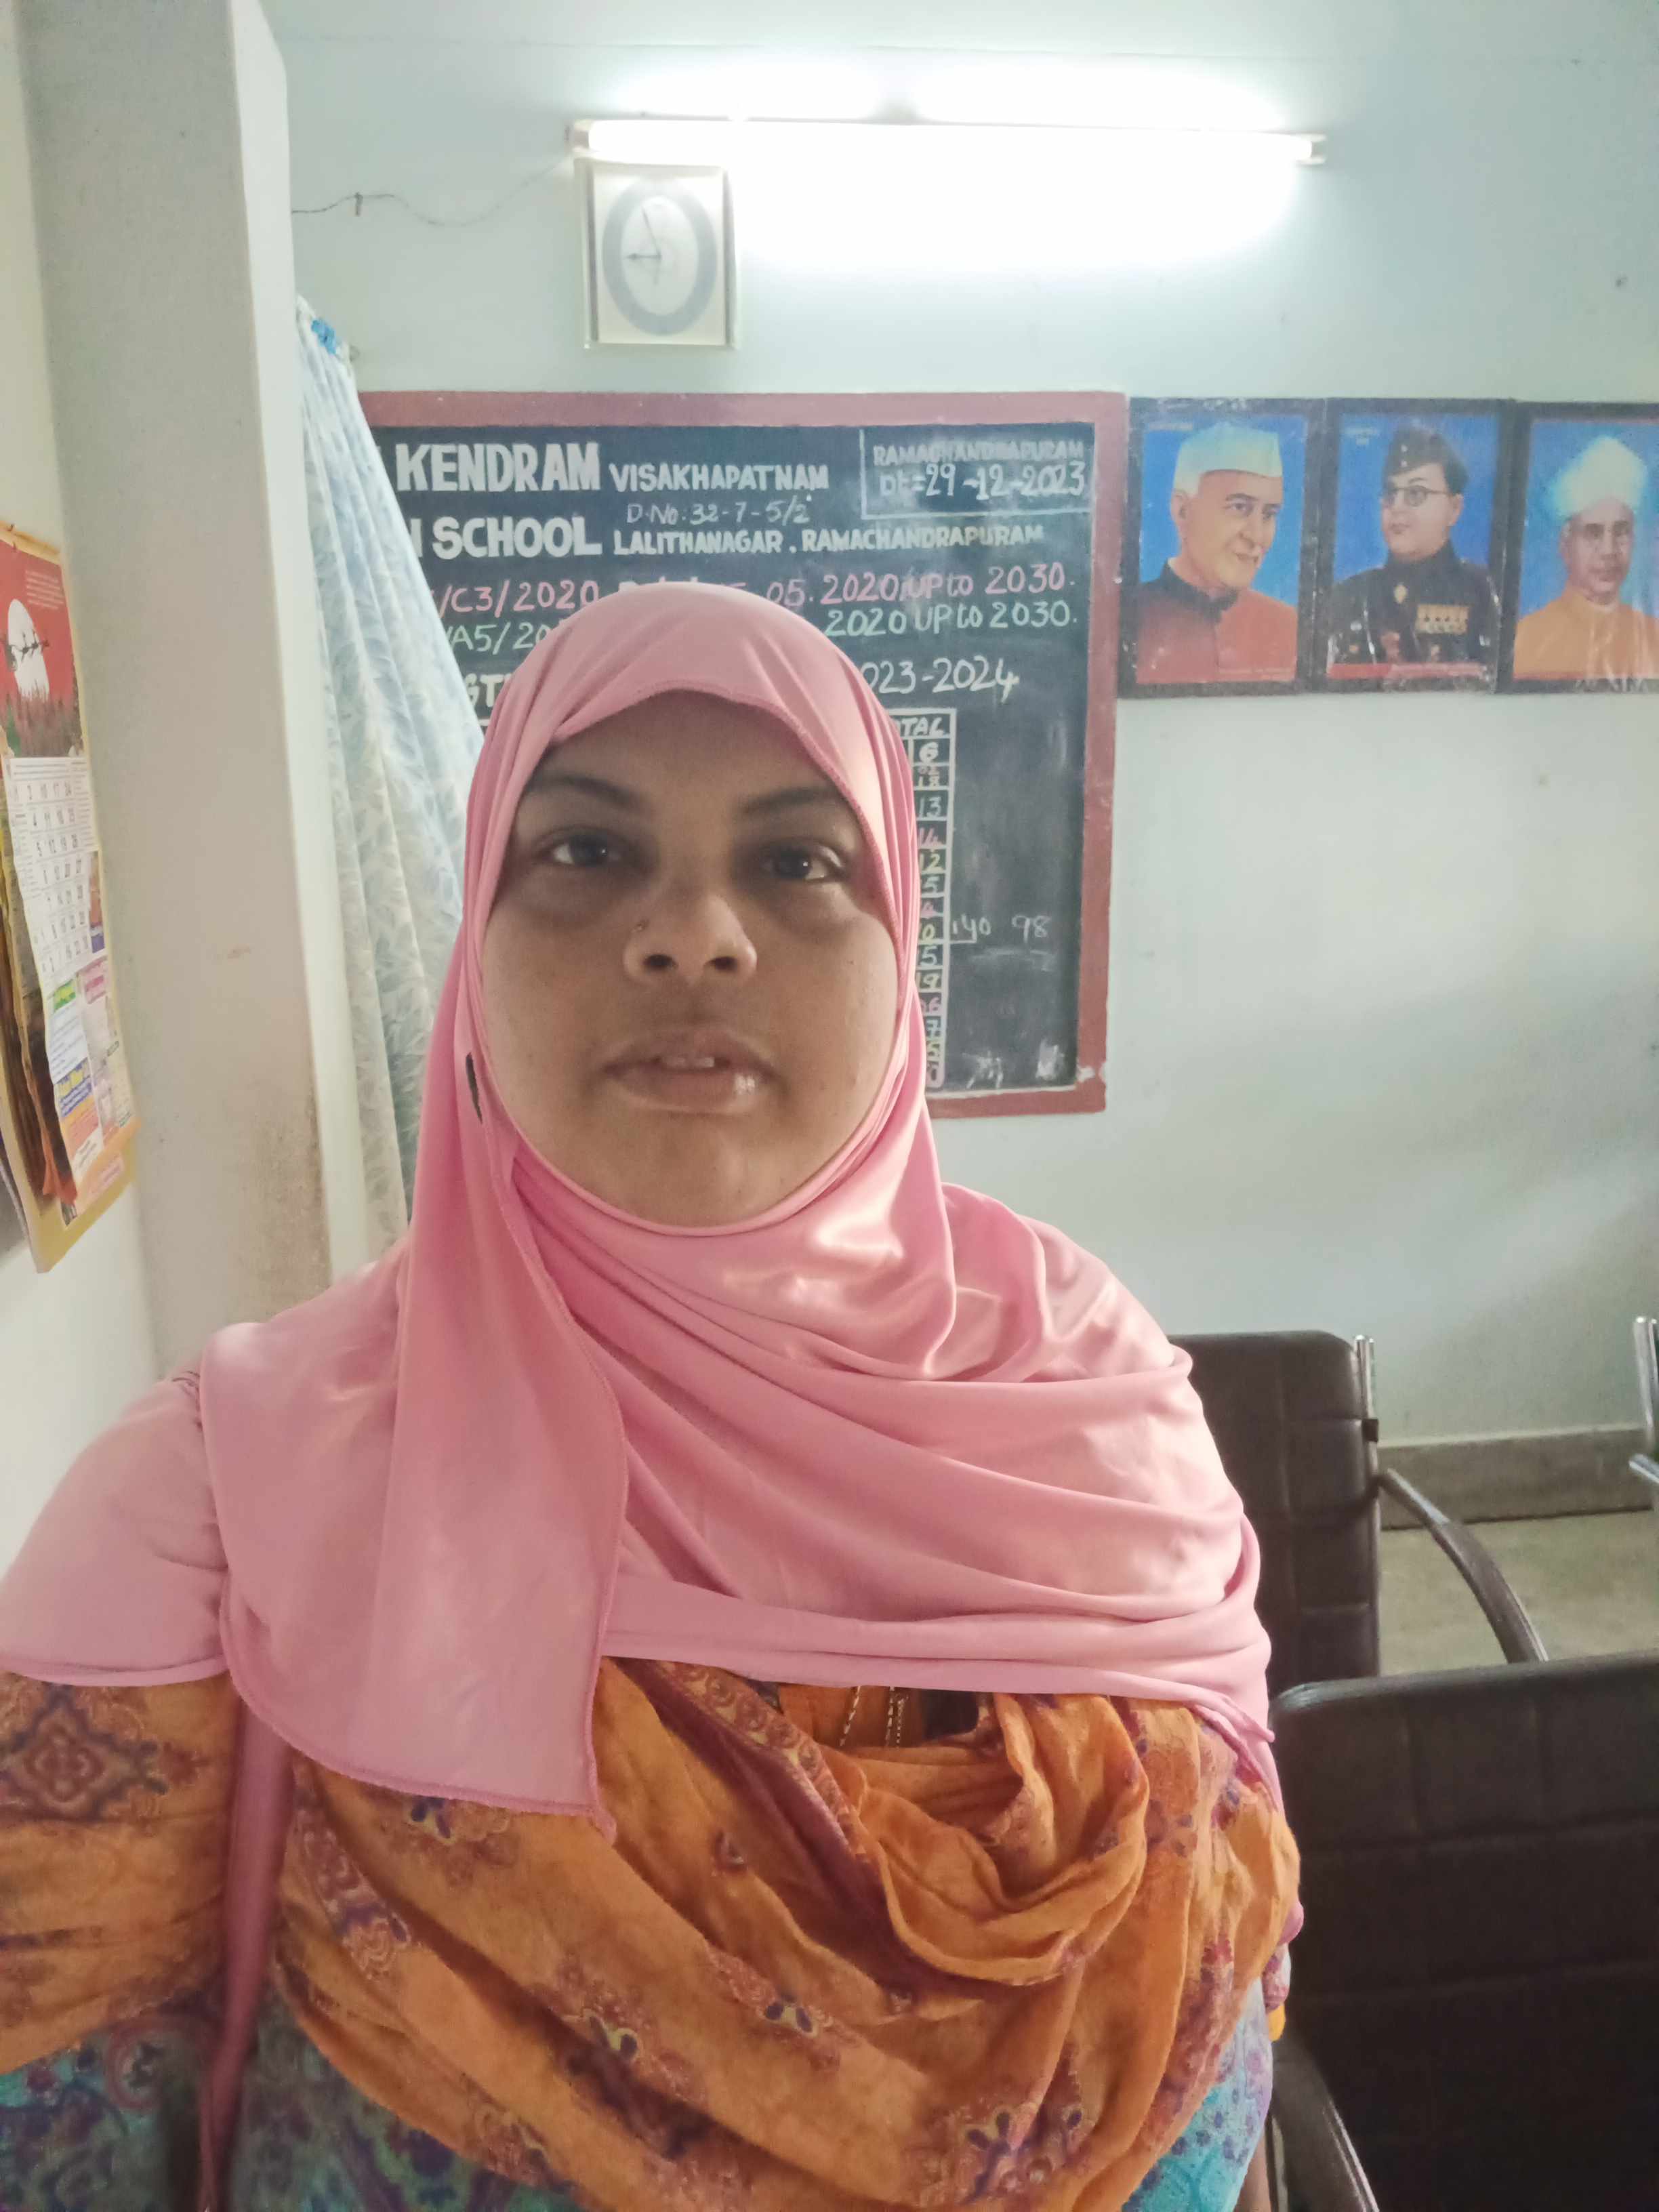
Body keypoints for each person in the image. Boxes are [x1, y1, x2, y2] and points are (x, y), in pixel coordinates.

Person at [0, 583, 1298, 2211]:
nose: (694, 933)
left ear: (901, 949)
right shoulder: (226, 1500)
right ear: (475, 943)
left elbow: (1237, 1971)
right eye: (587, 851)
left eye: (797, 861)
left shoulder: (1095, 1408)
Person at [1134, 421, 1300, 684]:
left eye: (1269, 514)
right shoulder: (1130, 616)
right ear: (1182, 511)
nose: (1257, 536)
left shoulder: (1288, 626)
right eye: (1239, 507)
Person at [1326, 421, 1498, 673]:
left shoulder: (1483, 592)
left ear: (1454, 509)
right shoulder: (1350, 596)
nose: (1397, 507)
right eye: (1390, 494)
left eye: (1416, 494)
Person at [1512, 432, 1659, 681]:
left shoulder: (1654, 638)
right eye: (1593, 533)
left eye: (1621, 532)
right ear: (1566, 545)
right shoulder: (1528, 640)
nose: (1609, 551)